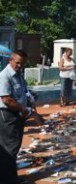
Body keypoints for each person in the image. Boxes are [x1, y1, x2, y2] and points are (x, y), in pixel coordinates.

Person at [0, 50, 30, 184]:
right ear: (10, 60)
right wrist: (22, 109)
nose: (19, 66)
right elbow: (6, 99)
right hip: (9, 116)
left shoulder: (18, 75)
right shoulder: (5, 76)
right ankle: (9, 180)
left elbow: (23, 93)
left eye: (22, 64)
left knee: (14, 148)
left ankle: (10, 177)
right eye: (17, 63)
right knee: (9, 149)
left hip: (17, 115)